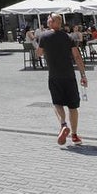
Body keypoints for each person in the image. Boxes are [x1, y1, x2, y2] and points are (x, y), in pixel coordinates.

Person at [36, 13, 87, 147]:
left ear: (53, 22)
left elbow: (39, 54)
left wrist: (44, 47)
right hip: (69, 75)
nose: (47, 21)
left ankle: (63, 124)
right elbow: (77, 56)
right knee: (73, 107)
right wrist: (83, 75)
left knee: (57, 103)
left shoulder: (44, 36)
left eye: (49, 19)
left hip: (54, 75)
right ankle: (74, 135)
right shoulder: (68, 37)